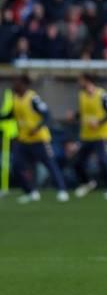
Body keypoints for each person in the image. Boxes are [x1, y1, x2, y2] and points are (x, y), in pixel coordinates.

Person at [8, 75, 69, 203]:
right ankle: (31, 192)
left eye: (16, 82)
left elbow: (47, 115)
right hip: (24, 140)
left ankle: (62, 190)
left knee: (50, 164)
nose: (14, 85)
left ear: (23, 84)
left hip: (39, 139)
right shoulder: (15, 98)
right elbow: (11, 115)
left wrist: (37, 128)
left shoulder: (33, 98)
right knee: (17, 165)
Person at [73, 73, 107, 200]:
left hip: (101, 134)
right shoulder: (81, 95)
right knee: (78, 162)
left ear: (87, 81)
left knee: (103, 161)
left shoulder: (102, 95)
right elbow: (83, 112)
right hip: (87, 134)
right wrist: (74, 115)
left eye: (80, 80)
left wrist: (99, 122)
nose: (78, 83)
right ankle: (87, 183)